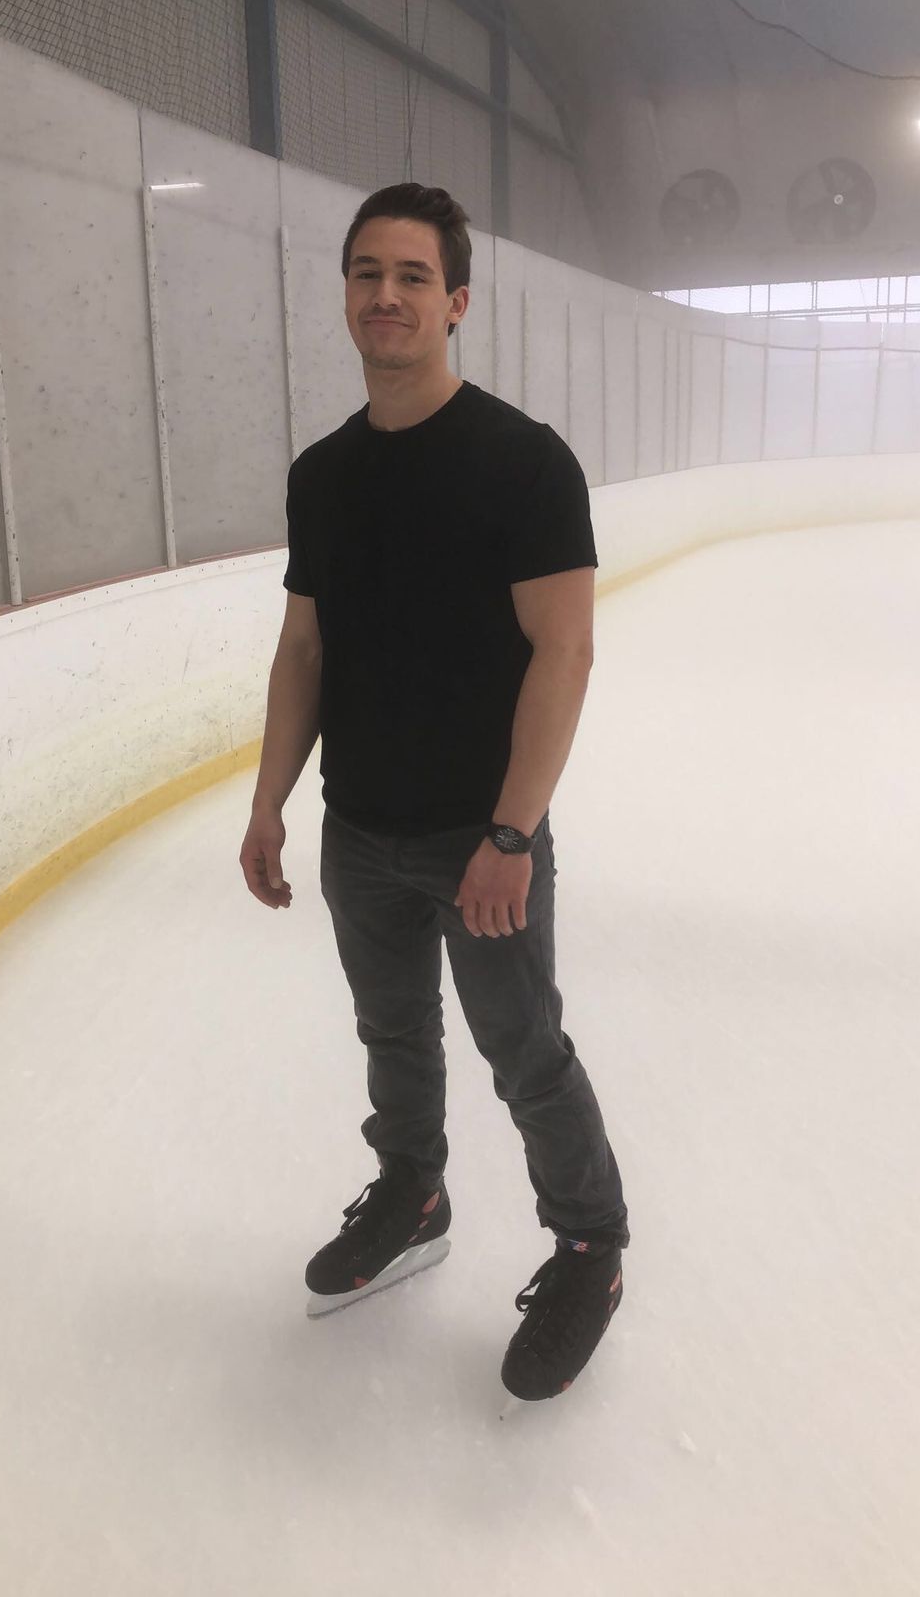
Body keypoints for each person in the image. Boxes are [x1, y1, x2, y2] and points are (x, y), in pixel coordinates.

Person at [239, 183, 630, 1401]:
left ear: (455, 301)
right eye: (367, 272)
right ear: (345, 294)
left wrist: (512, 830)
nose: (386, 294)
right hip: (359, 828)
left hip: (479, 836)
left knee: (524, 1050)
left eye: (412, 275)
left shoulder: (522, 462)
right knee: (392, 1032)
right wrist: (268, 799)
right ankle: (412, 1191)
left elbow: (563, 651)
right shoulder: (322, 474)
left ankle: (589, 1247)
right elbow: (304, 646)